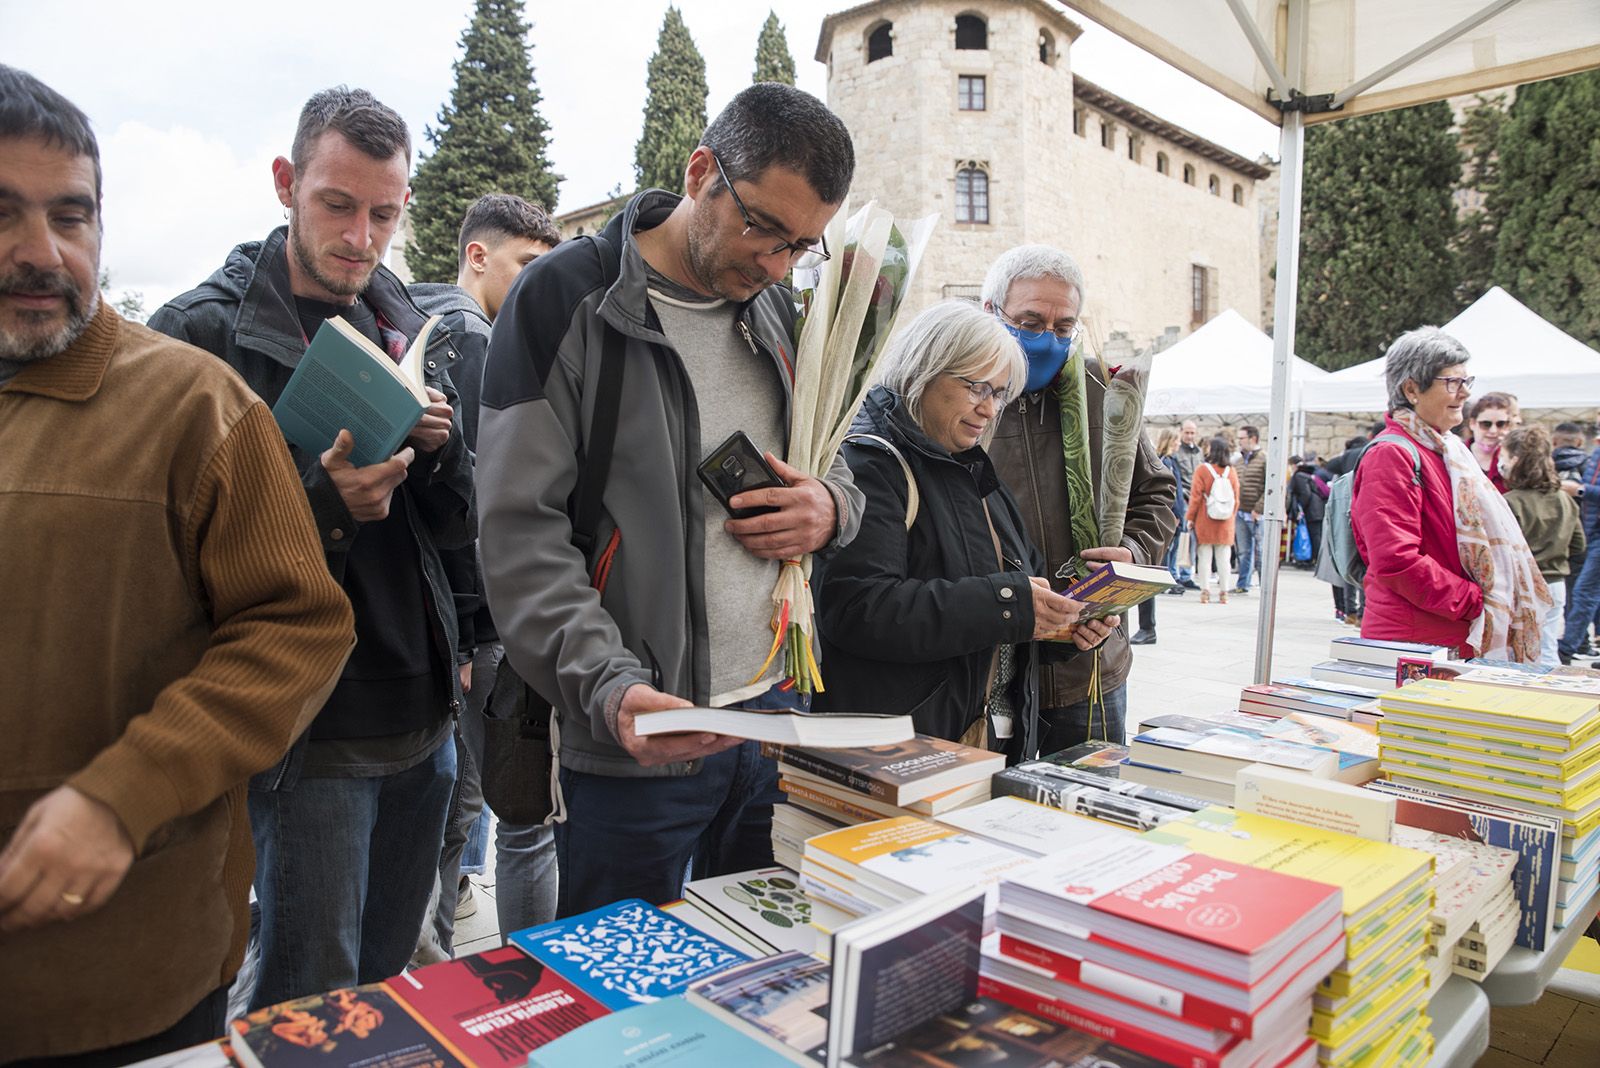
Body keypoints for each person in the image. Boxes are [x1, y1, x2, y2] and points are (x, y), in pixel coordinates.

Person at [0, 66, 355, 1062]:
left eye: (71, 215)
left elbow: (299, 626)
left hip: (119, 986)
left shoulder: (192, 404)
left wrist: (125, 795)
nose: (42, 252)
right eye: (3, 214)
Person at [477, 83, 861, 917]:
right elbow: (519, 535)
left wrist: (831, 509)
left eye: (803, 246)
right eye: (763, 227)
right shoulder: (563, 299)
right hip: (634, 745)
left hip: (772, 722)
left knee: (761, 995)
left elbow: (840, 464)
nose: (776, 265)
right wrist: (609, 687)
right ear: (700, 173)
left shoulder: (781, 314)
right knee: (618, 1015)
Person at [149, 87, 474, 1006]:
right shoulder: (199, 336)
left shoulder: (402, 316)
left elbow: (458, 525)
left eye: (384, 213)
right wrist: (324, 506)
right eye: (337, 204)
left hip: (425, 715)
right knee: (307, 1003)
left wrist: (444, 460)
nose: (360, 236)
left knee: (385, 993)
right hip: (308, 730)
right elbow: (169, 563)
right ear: (287, 184)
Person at [813, 302, 1112, 763]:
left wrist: (1064, 621)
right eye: (977, 388)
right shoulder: (871, 462)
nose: (989, 408)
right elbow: (858, 609)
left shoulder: (970, 464)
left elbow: (1013, 595)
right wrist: (1010, 604)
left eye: (999, 393)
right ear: (923, 371)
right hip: (903, 750)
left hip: (985, 740)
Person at [408, 194, 559, 957]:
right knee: (469, 810)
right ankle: (435, 975)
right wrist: (474, 632)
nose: (536, 284)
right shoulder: (474, 339)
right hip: (479, 626)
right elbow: (475, 503)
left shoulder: (420, 324)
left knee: (453, 810)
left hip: (450, 623)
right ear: (477, 256)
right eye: (526, 266)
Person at [983, 245, 1177, 752]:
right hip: (990, 673)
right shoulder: (964, 395)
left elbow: (1156, 494)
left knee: (1087, 814)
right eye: (1029, 320)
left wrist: (1130, 555)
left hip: (1091, 666)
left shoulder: (1101, 389)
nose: (1047, 339)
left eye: (1063, 326)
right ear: (991, 314)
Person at [1351, 328, 1547, 660]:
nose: (1464, 393)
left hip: (1447, 632)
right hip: (1415, 640)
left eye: (1467, 381)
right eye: (1452, 383)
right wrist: (1475, 600)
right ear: (1412, 388)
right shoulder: (1392, 454)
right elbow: (1396, 561)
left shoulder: (1447, 450)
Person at [1501, 426, 1584, 668]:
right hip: (1556, 583)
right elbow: (1579, 544)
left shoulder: (1511, 502)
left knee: (1520, 652)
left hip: (1524, 585)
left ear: (1515, 460)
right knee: (1548, 647)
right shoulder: (1564, 499)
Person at [1559, 421, 1600, 663]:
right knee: (1586, 590)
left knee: (1585, 590)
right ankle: (1578, 643)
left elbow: (1587, 490)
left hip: (1595, 534)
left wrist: (1580, 490)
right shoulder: (1593, 453)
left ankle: (1567, 648)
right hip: (1590, 532)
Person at [1185, 437, 1240, 604]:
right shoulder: (1231, 471)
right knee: (1224, 557)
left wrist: (1190, 518)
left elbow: (1195, 497)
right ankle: (1224, 592)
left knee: (1204, 557)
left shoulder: (1202, 470)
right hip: (1226, 521)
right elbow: (1236, 499)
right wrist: (1231, 516)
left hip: (1205, 518)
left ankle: (1205, 592)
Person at [1232, 424, 1266, 593]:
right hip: (1240, 511)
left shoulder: (1264, 459)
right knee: (1244, 551)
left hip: (1256, 513)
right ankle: (1242, 584)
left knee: (1260, 551)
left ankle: (1264, 585)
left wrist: (1259, 508)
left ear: (1252, 439)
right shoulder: (1238, 461)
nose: (1239, 442)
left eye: (1242, 438)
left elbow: (1270, 487)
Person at [1171, 420, 1203, 589]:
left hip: (1197, 500)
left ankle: (1187, 574)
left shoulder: (1199, 453)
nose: (1190, 436)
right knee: (1181, 538)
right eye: (1187, 432)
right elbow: (1177, 479)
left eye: (1192, 433)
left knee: (1192, 540)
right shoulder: (1177, 453)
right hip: (1184, 499)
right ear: (1181, 432)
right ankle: (1176, 574)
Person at [1466, 391, 1518, 491]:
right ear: (1472, 423)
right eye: (1486, 424)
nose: (1493, 431)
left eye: (1501, 424)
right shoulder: (1456, 455)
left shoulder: (1513, 458)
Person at [1289, 452, 1327, 571]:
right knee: (1315, 535)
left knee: (1314, 536)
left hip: (1312, 510)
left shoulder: (1299, 475)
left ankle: (1315, 561)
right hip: (1317, 509)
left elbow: (1305, 493)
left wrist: (1301, 508)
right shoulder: (1306, 474)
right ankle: (1314, 560)